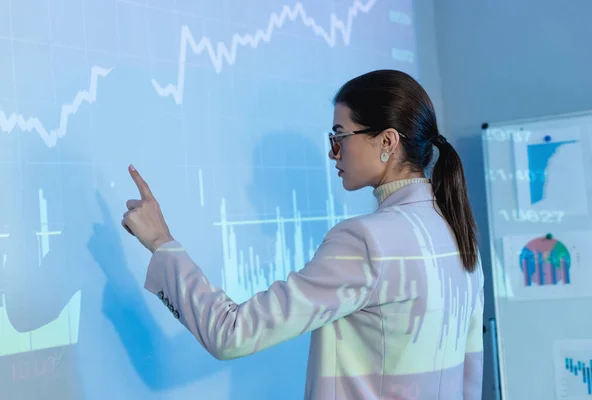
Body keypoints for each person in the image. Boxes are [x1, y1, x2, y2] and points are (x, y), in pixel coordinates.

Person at [121, 69, 485, 400]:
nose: (333, 153)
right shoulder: (457, 231)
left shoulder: (365, 241)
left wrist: (160, 242)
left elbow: (231, 333)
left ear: (387, 142)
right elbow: (470, 377)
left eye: (340, 136)